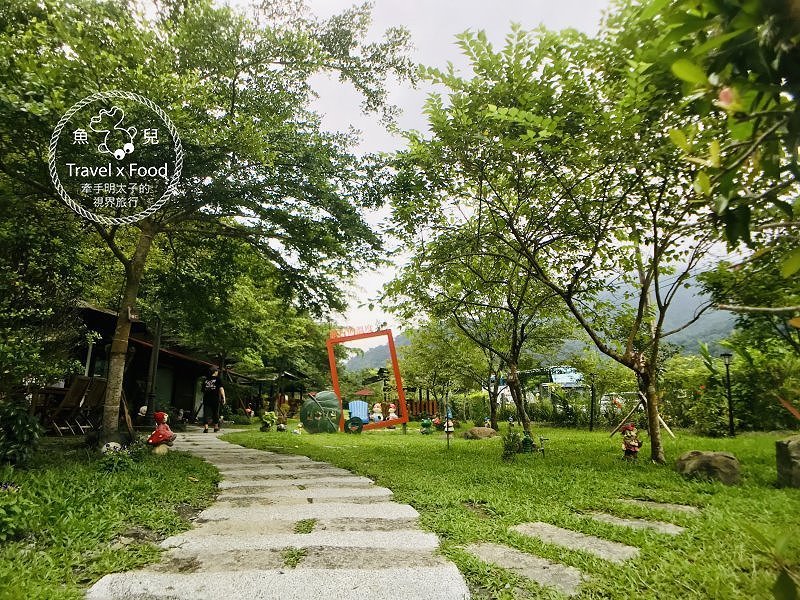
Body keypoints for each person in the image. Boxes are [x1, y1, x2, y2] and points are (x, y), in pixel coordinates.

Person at [202, 365, 226, 433]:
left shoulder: (206, 380)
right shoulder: (218, 379)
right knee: (215, 412)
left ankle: (206, 428)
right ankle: (215, 427)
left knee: (206, 413)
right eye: (217, 371)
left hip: (206, 398)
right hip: (215, 398)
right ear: (215, 371)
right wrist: (223, 397)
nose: (218, 372)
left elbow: (203, 390)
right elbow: (221, 388)